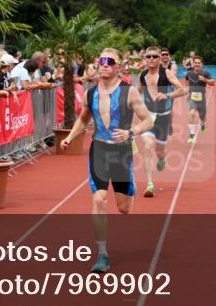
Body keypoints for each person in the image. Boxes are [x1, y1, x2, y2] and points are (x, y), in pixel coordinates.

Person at [59, 47, 154, 273]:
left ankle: (128, 189)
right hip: (99, 150)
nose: (104, 64)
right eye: (101, 60)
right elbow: (83, 120)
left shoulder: (129, 91)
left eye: (110, 61)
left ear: (118, 66)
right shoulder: (90, 93)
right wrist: (70, 137)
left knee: (123, 208)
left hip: (122, 152)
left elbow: (148, 120)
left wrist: (132, 133)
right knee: (99, 199)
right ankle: (102, 254)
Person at [138, 46, 187, 197]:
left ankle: (161, 159)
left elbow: (183, 90)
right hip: (148, 117)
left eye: (154, 56)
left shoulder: (166, 73)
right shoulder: (143, 75)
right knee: (147, 146)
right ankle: (150, 184)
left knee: (160, 152)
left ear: (159, 59)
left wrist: (167, 96)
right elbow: (136, 93)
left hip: (163, 118)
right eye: (148, 57)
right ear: (145, 59)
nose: (151, 59)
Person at [184, 56, 215, 144]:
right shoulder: (189, 74)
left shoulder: (206, 73)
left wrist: (205, 79)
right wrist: (187, 93)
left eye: (199, 63)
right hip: (192, 98)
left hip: (202, 99)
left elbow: (213, 82)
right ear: (193, 64)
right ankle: (192, 135)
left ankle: (202, 125)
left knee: (202, 118)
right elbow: (186, 84)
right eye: (195, 62)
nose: (197, 64)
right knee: (192, 113)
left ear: (201, 64)